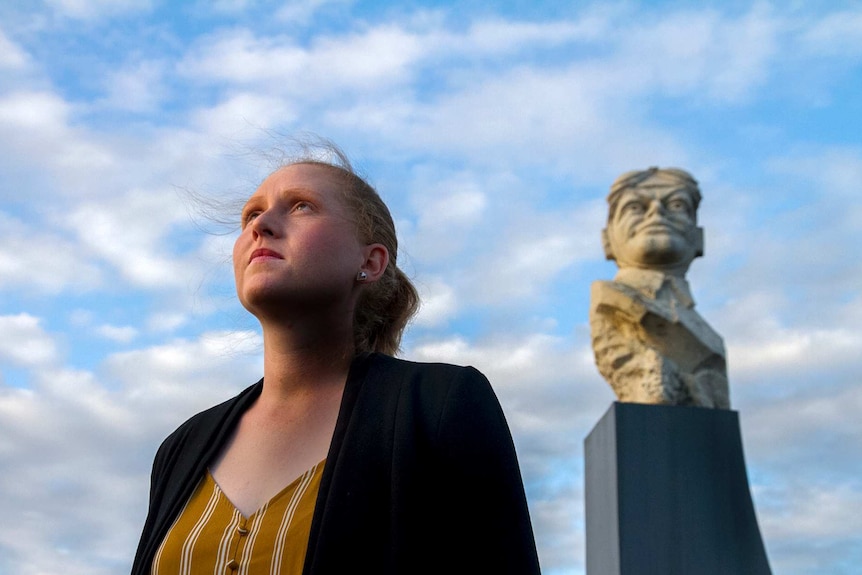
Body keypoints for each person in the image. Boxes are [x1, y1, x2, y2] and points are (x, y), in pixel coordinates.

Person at [130, 142, 541, 575]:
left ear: (370, 261)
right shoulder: (181, 447)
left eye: (302, 207)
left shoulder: (438, 406)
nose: (262, 225)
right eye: (252, 214)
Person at [589, 167, 730, 409]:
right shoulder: (611, 301)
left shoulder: (699, 324)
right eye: (635, 207)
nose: (656, 213)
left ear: (698, 237)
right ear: (607, 239)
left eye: (676, 205)